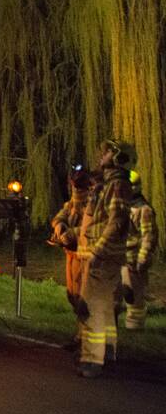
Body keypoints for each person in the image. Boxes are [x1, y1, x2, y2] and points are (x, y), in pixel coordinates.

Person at [76, 138, 135, 378]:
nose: (103, 154)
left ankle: (92, 359)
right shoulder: (110, 184)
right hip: (107, 255)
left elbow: (116, 222)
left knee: (93, 306)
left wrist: (97, 250)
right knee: (106, 307)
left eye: (109, 152)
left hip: (103, 256)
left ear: (118, 158)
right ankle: (108, 350)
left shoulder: (117, 185)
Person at [47, 167, 93, 349]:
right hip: (71, 255)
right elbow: (61, 214)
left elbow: (90, 228)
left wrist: (72, 234)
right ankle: (79, 335)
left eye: (78, 188)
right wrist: (58, 225)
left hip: (84, 256)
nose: (76, 192)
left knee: (83, 297)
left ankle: (84, 338)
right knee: (72, 295)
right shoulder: (73, 203)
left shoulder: (92, 203)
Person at [122, 170, 158, 330]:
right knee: (124, 291)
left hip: (134, 259)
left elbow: (148, 236)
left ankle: (135, 326)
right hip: (122, 257)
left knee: (135, 295)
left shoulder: (144, 210)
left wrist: (142, 258)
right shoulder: (124, 206)